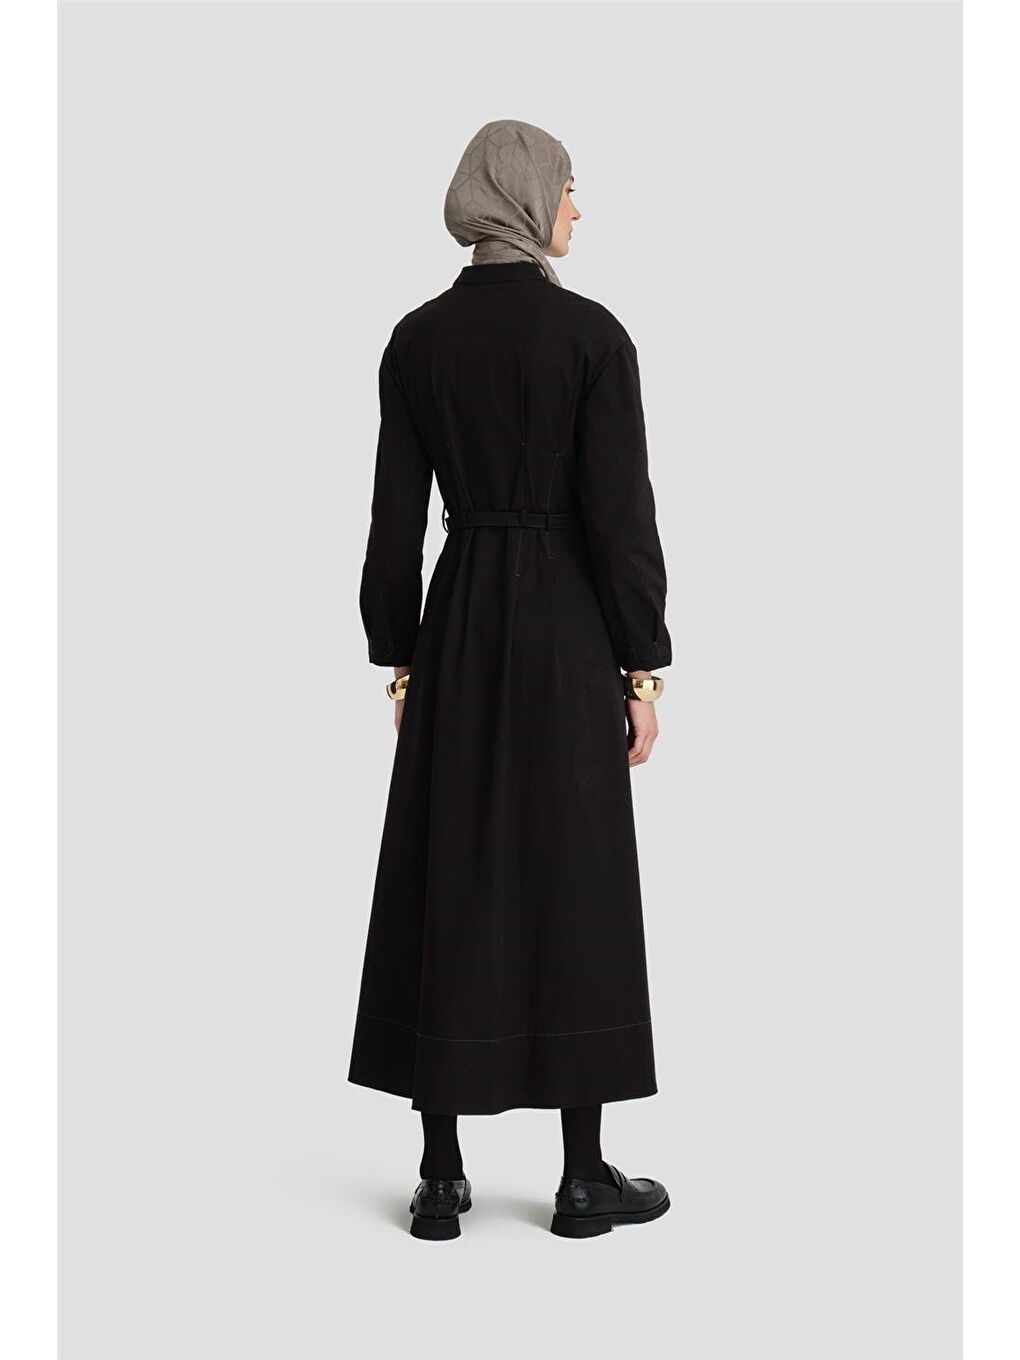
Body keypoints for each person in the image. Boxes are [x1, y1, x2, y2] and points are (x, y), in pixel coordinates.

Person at [348, 119, 673, 1241]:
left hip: (460, 629)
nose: (579, 208)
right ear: (531, 198)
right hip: (570, 633)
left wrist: (401, 657)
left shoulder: (417, 340)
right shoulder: (591, 337)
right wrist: (642, 666)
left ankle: (441, 1175)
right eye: (571, 188)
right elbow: (621, 516)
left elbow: (394, 519)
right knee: (577, 879)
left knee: (449, 869)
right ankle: (581, 1178)